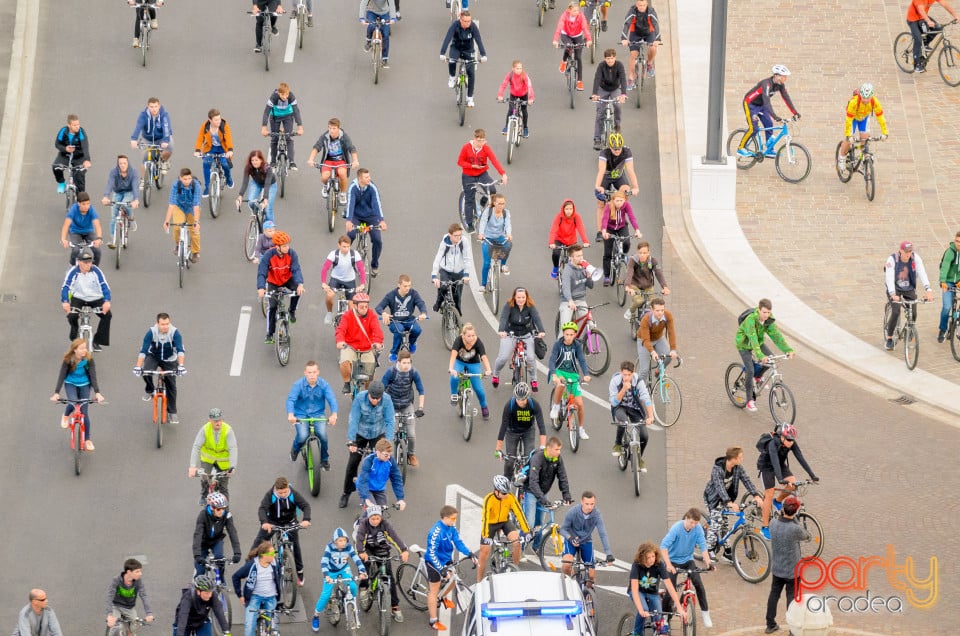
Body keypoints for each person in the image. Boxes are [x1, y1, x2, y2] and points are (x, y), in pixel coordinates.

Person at [756, 423, 819, 540]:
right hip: (766, 467)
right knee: (769, 494)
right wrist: (780, 479)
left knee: (793, 484)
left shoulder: (791, 443)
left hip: (780, 465)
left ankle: (777, 501)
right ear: (782, 437)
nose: (791, 442)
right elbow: (774, 462)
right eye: (789, 439)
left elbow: (800, 457)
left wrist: (812, 475)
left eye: (793, 440)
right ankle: (764, 527)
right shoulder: (772, 444)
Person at [340, 381, 395, 508]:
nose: (375, 400)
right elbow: (353, 419)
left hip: (377, 433)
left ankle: (373, 494)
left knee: (375, 464)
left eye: (378, 398)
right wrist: (351, 441)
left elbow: (390, 421)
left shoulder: (387, 400)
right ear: (368, 394)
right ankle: (346, 492)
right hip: (361, 433)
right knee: (353, 463)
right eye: (372, 398)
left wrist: (388, 441)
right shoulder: (360, 398)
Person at [702, 446, 762, 560]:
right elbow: (719, 487)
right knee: (716, 524)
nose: (742, 459)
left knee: (725, 524)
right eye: (740, 457)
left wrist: (755, 495)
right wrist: (729, 502)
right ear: (733, 458)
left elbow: (746, 480)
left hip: (725, 500)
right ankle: (708, 550)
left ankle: (727, 552)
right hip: (713, 499)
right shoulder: (717, 469)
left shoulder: (738, 468)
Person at [250, 477, 312, 585]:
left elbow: (305, 506)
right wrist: (264, 522)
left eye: (285, 492)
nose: (283, 494)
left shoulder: (293, 494)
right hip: (273, 522)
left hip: (290, 521)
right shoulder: (270, 495)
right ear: (275, 489)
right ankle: (249, 567)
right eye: (280, 493)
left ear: (288, 487)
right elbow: (262, 509)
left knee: (296, 546)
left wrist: (306, 519)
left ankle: (299, 573)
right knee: (258, 543)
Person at [735, 298, 794, 412]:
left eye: (769, 312)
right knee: (750, 370)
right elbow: (753, 339)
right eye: (764, 312)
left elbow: (776, 336)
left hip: (759, 342)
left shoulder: (768, 320)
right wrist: (761, 356)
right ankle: (749, 400)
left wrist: (788, 349)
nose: (767, 315)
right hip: (744, 345)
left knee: (771, 359)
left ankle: (758, 377)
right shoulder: (750, 320)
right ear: (759, 310)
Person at [355, 505, 410, 625]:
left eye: (377, 518)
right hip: (367, 548)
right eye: (373, 518)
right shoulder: (364, 524)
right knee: (365, 566)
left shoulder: (385, 524)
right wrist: (361, 552)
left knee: (389, 576)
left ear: (381, 517)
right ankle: (363, 587)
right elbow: (359, 540)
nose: (375, 521)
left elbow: (394, 537)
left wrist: (404, 550)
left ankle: (395, 606)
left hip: (381, 548)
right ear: (369, 517)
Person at [425, 506, 477, 631]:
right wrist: (441, 568)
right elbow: (432, 553)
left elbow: (458, 542)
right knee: (433, 591)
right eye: (453, 518)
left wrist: (469, 553)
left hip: (446, 558)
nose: (455, 520)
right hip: (434, 562)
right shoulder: (435, 532)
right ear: (446, 518)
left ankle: (442, 597)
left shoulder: (451, 527)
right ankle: (433, 621)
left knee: (453, 579)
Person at [660, 508, 713, 628]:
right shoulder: (676, 529)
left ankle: (705, 613)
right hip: (672, 561)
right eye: (691, 522)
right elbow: (663, 546)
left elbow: (703, 546)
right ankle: (665, 617)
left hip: (688, 560)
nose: (693, 525)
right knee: (670, 590)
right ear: (686, 519)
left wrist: (708, 562)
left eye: (696, 523)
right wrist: (668, 565)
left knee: (699, 584)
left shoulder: (697, 528)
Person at [765, 496, 810, 634]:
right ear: (795, 511)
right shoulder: (795, 529)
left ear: (783, 509)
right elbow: (807, 535)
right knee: (792, 599)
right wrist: (796, 518)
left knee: (774, 595)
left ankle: (770, 623)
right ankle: (793, 629)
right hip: (792, 571)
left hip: (777, 568)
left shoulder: (773, 523)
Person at [51, 338, 104, 451]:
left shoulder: (88, 360)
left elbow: (93, 376)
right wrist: (56, 393)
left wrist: (97, 393)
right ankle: (66, 415)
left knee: (84, 412)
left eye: (85, 348)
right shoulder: (68, 360)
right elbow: (61, 375)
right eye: (82, 348)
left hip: (85, 384)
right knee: (74, 401)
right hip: (71, 384)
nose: (85, 350)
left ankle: (87, 440)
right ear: (75, 350)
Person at [477, 475, 531, 582]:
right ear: (496, 491)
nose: (506, 495)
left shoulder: (510, 497)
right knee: (484, 551)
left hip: (504, 521)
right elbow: (485, 518)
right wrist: (486, 536)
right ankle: (479, 580)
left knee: (517, 543)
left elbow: (519, 513)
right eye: (504, 493)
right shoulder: (489, 499)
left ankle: (514, 569)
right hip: (491, 524)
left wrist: (527, 531)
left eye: (507, 492)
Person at [133, 312, 185, 423]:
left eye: (167, 324)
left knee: (171, 384)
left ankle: (172, 412)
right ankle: (150, 389)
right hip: (154, 356)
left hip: (169, 358)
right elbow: (143, 351)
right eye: (162, 324)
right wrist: (138, 366)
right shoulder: (151, 332)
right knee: (146, 372)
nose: (165, 326)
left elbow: (180, 351)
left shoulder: (175, 332)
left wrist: (180, 366)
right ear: (157, 323)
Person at [286, 360, 338, 469]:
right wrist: (291, 414)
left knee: (323, 436)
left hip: (318, 414)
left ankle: (324, 460)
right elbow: (291, 400)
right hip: (301, 414)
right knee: (303, 436)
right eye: (309, 372)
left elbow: (332, 399)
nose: (312, 375)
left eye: (314, 372)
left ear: (318, 372)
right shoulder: (298, 385)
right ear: (305, 373)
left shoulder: (324, 385)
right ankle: (295, 450)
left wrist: (334, 414)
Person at [737, 65, 799, 157]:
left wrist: (795, 112)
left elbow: (786, 98)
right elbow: (767, 102)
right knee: (753, 128)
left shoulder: (780, 85)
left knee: (769, 124)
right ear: (776, 76)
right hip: (750, 104)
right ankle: (740, 148)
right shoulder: (766, 84)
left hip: (761, 105)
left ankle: (769, 150)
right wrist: (775, 116)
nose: (785, 79)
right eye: (783, 77)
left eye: (785, 77)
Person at [256, 230, 305, 344]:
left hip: (287, 279)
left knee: (298, 292)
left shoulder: (292, 254)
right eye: (284, 246)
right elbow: (262, 273)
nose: (287, 248)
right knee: (272, 307)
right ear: (277, 246)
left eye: (288, 245)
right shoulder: (268, 256)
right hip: (273, 282)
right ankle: (270, 333)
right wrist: (261, 288)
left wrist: (300, 284)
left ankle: (292, 311)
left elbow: (296, 269)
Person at [884, 240, 934, 350]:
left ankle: (910, 328)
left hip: (909, 288)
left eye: (910, 251)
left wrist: (928, 289)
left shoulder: (915, 258)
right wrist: (892, 294)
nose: (908, 254)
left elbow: (922, 272)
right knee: (896, 311)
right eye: (906, 251)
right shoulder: (892, 259)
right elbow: (889, 277)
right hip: (895, 289)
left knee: (914, 312)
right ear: (900, 251)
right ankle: (889, 338)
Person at [492, 288, 545, 390]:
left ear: (526, 297)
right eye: (518, 297)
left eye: (523, 297)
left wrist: (541, 330)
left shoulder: (530, 306)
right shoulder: (509, 305)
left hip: (526, 334)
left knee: (530, 358)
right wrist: (501, 330)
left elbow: (536, 318)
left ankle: (533, 380)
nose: (521, 300)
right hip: (511, 334)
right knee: (502, 358)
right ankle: (495, 375)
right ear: (514, 297)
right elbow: (503, 317)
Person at [456, 129, 508, 232]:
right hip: (468, 175)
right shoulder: (466, 148)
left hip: (482, 174)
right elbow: (460, 162)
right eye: (479, 141)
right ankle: (469, 223)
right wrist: (471, 166)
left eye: (483, 141)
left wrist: (503, 174)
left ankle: (483, 201)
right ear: (475, 139)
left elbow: (494, 161)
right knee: (469, 199)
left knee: (492, 190)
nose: (481, 143)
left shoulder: (485, 148)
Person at [60, 247, 112, 350]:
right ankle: (74, 334)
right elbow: (65, 286)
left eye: (90, 262)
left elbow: (104, 286)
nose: (89, 264)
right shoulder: (73, 272)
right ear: (79, 262)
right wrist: (65, 302)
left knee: (107, 315)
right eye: (86, 262)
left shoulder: (96, 271)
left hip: (95, 298)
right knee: (72, 316)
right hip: (78, 297)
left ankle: (97, 341)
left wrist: (107, 301)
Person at [313, 528, 367, 628]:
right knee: (325, 595)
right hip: (331, 571)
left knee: (353, 587)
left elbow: (356, 559)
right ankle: (316, 615)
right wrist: (327, 576)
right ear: (335, 541)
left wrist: (362, 571)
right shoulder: (329, 547)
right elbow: (324, 562)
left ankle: (352, 605)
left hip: (344, 569)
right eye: (340, 540)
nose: (343, 543)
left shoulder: (349, 547)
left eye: (344, 540)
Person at [627, 542, 683, 635]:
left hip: (652, 593)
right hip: (638, 591)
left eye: (653, 556)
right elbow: (634, 589)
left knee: (658, 617)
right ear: (642, 557)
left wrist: (679, 606)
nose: (651, 559)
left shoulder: (659, 564)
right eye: (648, 557)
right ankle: (637, 633)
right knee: (644, 609)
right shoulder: (636, 565)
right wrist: (641, 610)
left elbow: (669, 585)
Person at [548, 322, 591, 437]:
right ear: (563, 334)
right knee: (561, 384)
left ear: (575, 335)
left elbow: (581, 360)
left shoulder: (577, 345)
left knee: (580, 404)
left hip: (572, 374)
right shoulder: (558, 344)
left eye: (571, 334)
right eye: (567, 334)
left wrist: (586, 374)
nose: (569, 337)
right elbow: (552, 360)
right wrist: (554, 374)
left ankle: (581, 429)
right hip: (559, 371)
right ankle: (556, 406)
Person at [560, 491, 615, 582]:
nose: (590, 507)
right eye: (587, 504)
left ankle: (588, 594)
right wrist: (570, 538)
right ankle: (569, 583)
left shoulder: (597, 514)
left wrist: (608, 553)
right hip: (571, 540)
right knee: (567, 564)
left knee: (591, 577)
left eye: (592, 504)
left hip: (586, 541)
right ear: (581, 502)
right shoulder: (572, 512)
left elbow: (603, 534)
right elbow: (563, 529)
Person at [382, 351, 425, 466]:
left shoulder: (413, 372)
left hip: (407, 405)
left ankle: (411, 455)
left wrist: (420, 408)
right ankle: (387, 457)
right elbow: (381, 389)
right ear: (398, 362)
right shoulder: (391, 372)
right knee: (390, 433)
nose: (407, 365)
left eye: (408, 362)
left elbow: (421, 390)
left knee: (411, 434)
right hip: (392, 405)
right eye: (404, 362)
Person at [336, 292, 384, 393]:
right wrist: (340, 341)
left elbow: (377, 331)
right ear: (355, 306)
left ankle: (367, 394)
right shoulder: (347, 316)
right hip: (351, 346)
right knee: (344, 362)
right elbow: (341, 330)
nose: (364, 309)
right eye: (361, 307)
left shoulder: (372, 315)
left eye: (366, 306)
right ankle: (347, 383)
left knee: (370, 374)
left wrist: (377, 342)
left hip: (367, 348)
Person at [523, 437, 573, 535]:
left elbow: (562, 476)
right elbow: (533, 483)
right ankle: (521, 546)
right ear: (548, 448)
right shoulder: (537, 458)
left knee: (540, 523)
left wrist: (566, 494)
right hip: (531, 492)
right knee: (529, 524)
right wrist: (543, 500)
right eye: (556, 449)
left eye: (560, 449)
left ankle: (536, 547)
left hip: (544, 492)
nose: (559, 452)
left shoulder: (557, 458)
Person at [593, 133, 639, 239]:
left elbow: (630, 170)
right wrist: (597, 186)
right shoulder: (604, 152)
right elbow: (601, 170)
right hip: (606, 176)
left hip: (618, 176)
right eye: (615, 149)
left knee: (625, 191)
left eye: (619, 149)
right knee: (601, 203)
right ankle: (600, 231)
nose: (617, 151)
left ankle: (621, 222)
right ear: (610, 147)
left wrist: (635, 187)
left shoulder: (627, 151)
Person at [609, 360, 653, 466]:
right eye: (624, 375)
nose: (626, 377)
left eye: (629, 375)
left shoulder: (638, 382)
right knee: (623, 422)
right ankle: (618, 444)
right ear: (621, 373)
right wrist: (623, 389)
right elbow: (614, 402)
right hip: (620, 407)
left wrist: (651, 417)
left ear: (633, 373)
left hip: (635, 409)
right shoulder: (615, 381)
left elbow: (646, 399)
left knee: (644, 436)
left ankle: (639, 458)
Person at [188, 409, 238, 503]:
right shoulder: (205, 430)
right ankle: (204, 494)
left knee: (223, 488)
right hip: (208, 460)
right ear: (209, 420)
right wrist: (192, 466)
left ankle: (226, 512)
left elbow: (233, 448)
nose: (218, 423)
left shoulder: (228, 430)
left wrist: (233, 466)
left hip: (223, 463)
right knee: (204, 477)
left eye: (220, 420)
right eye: (215, 421)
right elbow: (196, 447)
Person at [440, 11, 488, 109]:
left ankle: (470, 98)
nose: (467, 23)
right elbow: (447, 38)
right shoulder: (455, 25)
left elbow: (479, 40)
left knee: (471, 73)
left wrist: (483, 55)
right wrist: (442, 53)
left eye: (469, 21)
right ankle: (452, 77)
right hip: (456, 48)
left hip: (468, 50)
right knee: (452, 60)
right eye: (465, 21)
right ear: (460, 20)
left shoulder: (473, 27)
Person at [307, 117, 360, 207]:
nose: (331, 130)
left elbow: (352, 148)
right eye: (330, 128)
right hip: (328, 161)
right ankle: (325, 186)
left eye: (334, 128)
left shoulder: (344, 137)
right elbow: (317, 147)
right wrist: (311, 159)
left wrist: (355, 161)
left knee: (342, 173)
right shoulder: (325, 136)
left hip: (340, 161)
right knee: (325, 177)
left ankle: (343, 194)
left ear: (338, 128)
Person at [496, 382, 547, 474]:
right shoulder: (509, 406)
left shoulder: (534, 405)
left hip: (528, 431)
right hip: (512, 432)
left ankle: (527, 480)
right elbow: (503, 426)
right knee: (509, 461)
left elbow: (541, 426)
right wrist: (498, 449)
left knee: (530, 459)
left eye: (523, 399)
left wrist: (543, 446)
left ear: (527, 397)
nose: (520, 402)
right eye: (518, 399)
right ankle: (507, 478)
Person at [232, 542, 281, 636]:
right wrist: (240, 595)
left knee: (274, 628)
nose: (274, 555)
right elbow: (235, 577)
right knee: (249, 625)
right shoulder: (252, 565)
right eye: (271, 554)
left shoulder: (274, 563)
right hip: (255, 597)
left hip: (271, 597)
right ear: (263, 555)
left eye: (274, 553)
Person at [345, 168, 388, 275]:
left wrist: (381, 220)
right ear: (360, 178)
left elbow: (376, 204)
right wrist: (349, 220)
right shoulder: (353, 188)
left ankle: (374, 264)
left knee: (377, 240)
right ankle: (346, 259)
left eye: (369, 176)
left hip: (370, 217)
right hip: (357, 217)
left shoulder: (372, 187)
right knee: (350, 235)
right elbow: (350, 204)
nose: (369, 178)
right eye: (366, 177)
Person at [376, 274, 428, 361]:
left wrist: (423, 313)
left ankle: (412, 342)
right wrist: (384, 313)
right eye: (405, 286)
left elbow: (421, 303)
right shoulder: (391, 295)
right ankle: (394, 352)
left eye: (409, 286)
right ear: (399, 285)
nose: (407, 288)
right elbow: (379, 307)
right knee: (399, 331)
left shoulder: (414, 294)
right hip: (395, 321)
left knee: (417, 330)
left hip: (409, 320)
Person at [837, 83, 889, 170]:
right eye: (863, 97)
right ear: (860, 95)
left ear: (871, 96)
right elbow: (848, 121)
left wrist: (885, 133)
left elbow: (880, 117)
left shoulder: (874, 101)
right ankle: (841, 158)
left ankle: (864, 158)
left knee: (865, 139)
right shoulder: (854, 102)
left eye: (867, 98)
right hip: (853, 118)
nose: (865, 100)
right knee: (848, 139)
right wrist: (849, 135)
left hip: (863, 118)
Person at [448, 323, 492, 419]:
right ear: (463, 336)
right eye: (468, 336)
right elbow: (453, 355)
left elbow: (484, 357)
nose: (471, 338)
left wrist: (488, 369)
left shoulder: (478, 342)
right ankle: (454, 394)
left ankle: (484, 406)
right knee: (455, 377)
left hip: (474, 364)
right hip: (460, 362)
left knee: (479, 389)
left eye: (473, 335)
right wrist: (451, 368)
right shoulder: (458, 340)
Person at [322, 235, 369, 325]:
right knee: (329, 296)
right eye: (344, 246)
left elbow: (361, 270)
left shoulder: (355, 254)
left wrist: (362, 284)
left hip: (350, 281)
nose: (346, 249)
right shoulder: (333, 254)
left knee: (351, 307)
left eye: (348, 246)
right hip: (336, 279)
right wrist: (324, 283)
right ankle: (329, 313)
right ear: (339, 245)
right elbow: (325, 268)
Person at [192, 492, 242, 577]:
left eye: (223, 508)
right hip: (203, 543)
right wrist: (197, 555)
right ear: (212, 508)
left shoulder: (226, 515)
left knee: (220, 560)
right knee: (200, 572)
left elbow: (232, 533)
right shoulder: (203, 515)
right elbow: (197, 534)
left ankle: (221, 581)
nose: (221, 512)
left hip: (216, 540)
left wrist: (237, 553)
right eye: (219, 509)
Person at [599, 189, 642, 284]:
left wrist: (637, 230)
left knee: (626, 242)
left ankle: (623, 255)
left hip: (622, 227)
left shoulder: (627, 205)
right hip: (610, 228)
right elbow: (605, 219)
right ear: (613, 200)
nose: (619, 203)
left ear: (625, 200)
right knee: (607, 253)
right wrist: (604, 232)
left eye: (621, 201)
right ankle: (606, 276)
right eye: (617, 201)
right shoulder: (608, 206)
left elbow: (632, 217)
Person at [907, 0, 960, 72]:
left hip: (922, 18)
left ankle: (925, 43)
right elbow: (921, 10)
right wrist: (928, 21)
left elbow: (944, 4)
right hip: (913, 20)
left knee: (938, 28)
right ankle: (917, 64)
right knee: (918, 40)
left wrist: (956, 15)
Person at [105, 558, 155, 635]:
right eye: (137, 571)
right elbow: (109, 596)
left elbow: (144, 596)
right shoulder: (116, 580)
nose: (140, 574)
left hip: (129, 608)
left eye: (140, 571)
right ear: (129, 572)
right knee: (116, 627)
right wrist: (109, 615)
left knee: (134, 629)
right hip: (116, 606)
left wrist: (149, 613)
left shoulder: (138, 581)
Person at [590, 49, 627, 150]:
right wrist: (594, 94)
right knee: (600, 113)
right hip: (603, 89)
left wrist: (623, 94)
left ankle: (617, 126)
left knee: (617, 105)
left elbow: (623, 78)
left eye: (611, 58)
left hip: (615, 89)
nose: (610, 61)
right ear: (604, 59)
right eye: (608, 59)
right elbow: (597, 78)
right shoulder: (601, 66)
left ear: (615, 58)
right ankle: (597, 139)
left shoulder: (619, 65)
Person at [163, 168, 202, 263]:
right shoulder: (176, 185)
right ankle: (177, 244)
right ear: (180, 178)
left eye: (189, 178)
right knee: (177, 227)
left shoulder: (196, 185)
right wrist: (166, 221)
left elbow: (196, 205)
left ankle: (195, 252)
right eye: (185, 179)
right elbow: (171, 204)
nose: (187, 181)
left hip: (191, 207)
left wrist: (196, 222)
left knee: (194, 230)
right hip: (179, 206)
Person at [431, 224, 472, 315]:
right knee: (444, 287)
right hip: (446, 271)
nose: (458, 238)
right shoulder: (444, 243)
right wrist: (434, 276)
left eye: (459, 235)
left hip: (459, 272)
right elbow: (438, 258)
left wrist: (466, 275)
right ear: (450, 235)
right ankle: (438, 302)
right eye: (455, 236)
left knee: (457, 296)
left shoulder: (463, 242)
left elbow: (467, 259)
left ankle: (457, 318)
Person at [194, 108, 234, 197]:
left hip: (222, 148)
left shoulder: (224, 125)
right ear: (210, 120)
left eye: (219, 119)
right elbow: (200, 138)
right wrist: (197, 150)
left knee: (225, 164)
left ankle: (229, 178)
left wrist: (230, 150)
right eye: (216, 120)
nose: (218, 121)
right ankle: (208, 187)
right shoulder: (205, 126)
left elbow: (228, 138)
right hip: (211, 148)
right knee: (206, 163)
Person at [356, 438, 407, 508]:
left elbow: (396, 479)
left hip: (379, 490)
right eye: (386, 455)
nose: (388, 457)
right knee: (373, 512)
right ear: (378, 452)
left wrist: (400, 498)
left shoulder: (391, 461)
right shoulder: (369, 461)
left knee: (381, 513)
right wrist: (366, 498)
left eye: (390, 455)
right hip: (367, 489)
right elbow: (363, 480)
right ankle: (360, 519)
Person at [129, 97, 173, 178]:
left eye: (156, 106)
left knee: (169, 147)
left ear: (159, 106)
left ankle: (164, 161)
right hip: (147, 138)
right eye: (151, 107)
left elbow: (166, 128)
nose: (154, 109)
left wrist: (166, 140)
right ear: (148, 106)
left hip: (161, 138)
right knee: (145, 160)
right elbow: (138, 127)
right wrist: (134, 139)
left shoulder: (164, 115)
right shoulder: (143, 115)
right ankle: (143, 180)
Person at [553, 2, 592, 91]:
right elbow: (559, 27)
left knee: (578, 57)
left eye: (577, 10)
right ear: (569, 10)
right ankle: (563, 62)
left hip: (577, 36)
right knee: (569, 46)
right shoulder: (564, 16)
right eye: (574, 11)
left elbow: (585, 28)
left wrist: (588, 39)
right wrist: (555, 40)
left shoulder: (581, 16)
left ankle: (580, 81)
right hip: (566, 35)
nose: (576, 12)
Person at [261, 82, 301, 167]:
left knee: (289, 137)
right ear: (278, 93)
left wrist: (300, 126)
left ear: (288, 93)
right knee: (274, 138)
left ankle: (292, 162)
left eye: (286, 94)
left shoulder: (291, 96)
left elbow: (296, 111)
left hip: (288, 116)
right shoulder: (273, 97)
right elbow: (266, 112)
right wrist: (264, 127)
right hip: (275, 117)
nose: (284, 97)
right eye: (282, 94)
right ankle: (273, 161)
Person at [102, 155, 139, 247]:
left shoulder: (133, 172)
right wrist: (106, 197)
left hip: (129, 192)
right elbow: (110, 184)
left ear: (128, 163)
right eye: (120, 163)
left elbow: (135, 186)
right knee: (113, 216)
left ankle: (131, 219)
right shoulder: (114, 172)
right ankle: (113, 239)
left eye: (124, 163)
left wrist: (136, 200)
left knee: (127, 204)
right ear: (118, 164)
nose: (122, 165)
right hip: (117, 192)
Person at [477, 194, 513, 288]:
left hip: (499, 237)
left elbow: (508, 224)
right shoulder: (488, 211)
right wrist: (481, 234)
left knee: (508, 245)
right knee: (487, 263)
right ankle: (483, 285)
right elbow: (483, 222)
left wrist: (508, 234)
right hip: (487, 238)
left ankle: (503, 266)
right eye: (499, 203)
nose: (502, 206)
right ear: (494, 203)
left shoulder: (506, 213)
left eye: (503, 203)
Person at [624, 240, 669, 318]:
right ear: (637, 252)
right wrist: (628, 286)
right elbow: (629, 273)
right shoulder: (633, 260)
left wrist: (665, 287)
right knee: (639, 301)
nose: (642, 255)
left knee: (653, 304)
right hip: (635, 285)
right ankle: (630, 311)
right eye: (640, 253)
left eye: (644, 253)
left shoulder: (652, 261)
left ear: (648, 253)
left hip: (648, 286)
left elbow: (658, 273)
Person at [620, 0, 660, 84]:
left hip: (649, 33)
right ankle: (631, 77)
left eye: (643, 5)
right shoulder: (632, 11)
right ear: (636, 5)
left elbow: (656, 24)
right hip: (635, 33)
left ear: (646, 5)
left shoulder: (651, 11)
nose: (641, 7)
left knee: (653, 47)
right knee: (633, 54)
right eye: (639, 5)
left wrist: (658, 39)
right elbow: (626, 24)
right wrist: (624, 38)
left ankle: (649, 63)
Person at [548, 199, 591, 278]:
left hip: (571, 240)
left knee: (574, 257)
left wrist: (585, 241)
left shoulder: (576, 217)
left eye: (570, 209)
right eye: (567, 209)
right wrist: (551, 242)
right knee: (556, 253)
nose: (569, 211)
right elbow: (553, 230)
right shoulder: (559, 217)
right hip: (559, 239)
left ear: (573, 209)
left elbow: (581, 228)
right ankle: (555, 268)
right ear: (563, 209)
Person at [558, 243, 598, 326]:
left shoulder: (584, 268)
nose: (581, 258)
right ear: (571, 258)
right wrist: (570, 300)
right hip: (567, 301)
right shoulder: (567, 271)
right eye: (578, 256)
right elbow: (565, 287)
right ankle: (562, 338)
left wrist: (589, 277)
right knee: (566, 328)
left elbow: (591, 286)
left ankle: (588, 336)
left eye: (581, 255)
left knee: (590, 324)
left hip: (581, 299)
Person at [60, 191, 103, 266]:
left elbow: (97, 225)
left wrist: (99, 238)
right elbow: (66, 225)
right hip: (75, 231)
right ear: (78, 204)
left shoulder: (91, 210)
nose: (86, 206)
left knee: (98, 251)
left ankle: (94, 269)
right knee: (76, 250)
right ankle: (72, 266)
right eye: (84, 204)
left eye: (88, 204)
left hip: (88, 231)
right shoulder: (73, 210)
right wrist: (63, 239)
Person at [636, 296, 677, 373]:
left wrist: (673, 349)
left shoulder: (668, 315)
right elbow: (646, 339)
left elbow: (671, 333)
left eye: (662, 310)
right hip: (644, 340)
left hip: (658, 338)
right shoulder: (645, 319)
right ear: (652, 309)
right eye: (657, 310)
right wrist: (652, 352)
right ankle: (639, 385)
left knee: (668, 356)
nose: (660, 313)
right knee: (644, 370)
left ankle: (659, 370)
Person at [53, 114, 91, 194]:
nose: (77, 127)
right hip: (65, 155)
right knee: (56, 167)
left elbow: (85, 146)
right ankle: (61, 182)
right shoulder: (63, 131)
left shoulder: (81, 132)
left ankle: (80, 200)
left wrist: (87, 160)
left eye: (78, 124)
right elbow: (57, 144)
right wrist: (65, 149)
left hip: (78, 156)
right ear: (69, 125)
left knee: (79, 176)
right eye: (74, 125)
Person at [236, 150, 278, 224]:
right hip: (256, 183)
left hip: (270, 185)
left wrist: (265, 199)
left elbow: (267, 184)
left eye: (256, 160)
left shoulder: (268, 168)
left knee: (268, 208)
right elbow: (245, 182)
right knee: (251, 202)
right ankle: (258, 211)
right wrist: (240, 196)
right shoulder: (248, 167)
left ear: (261, 160)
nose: (254, 162)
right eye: (252, 160)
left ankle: (269, 229)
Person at [497, 60, 534, 138]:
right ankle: (506, 127)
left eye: (520, 68)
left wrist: (531, 98)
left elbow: (529, 87)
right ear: (513, 68)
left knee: (524, 111)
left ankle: (525, 128)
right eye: (517, 68)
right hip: (513, 95)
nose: (519, 70)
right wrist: (500, 95)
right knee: (511, 110)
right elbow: (503, 85)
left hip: (523, 95)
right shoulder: (509, 75)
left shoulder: (524, 76)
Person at [360, 0, 397, 68]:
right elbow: (363, 3)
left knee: (385, 35)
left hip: (384, 13)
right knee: (371, 25)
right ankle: (368, 41)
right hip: (372, 12)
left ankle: (385, 59)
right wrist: (361, 18)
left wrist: (393, 17)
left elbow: (391, 3)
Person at [938, 230, 960, 342]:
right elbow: (945, 267)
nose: (958, 244)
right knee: (947, 307)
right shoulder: (950, 252)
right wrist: (943, 282)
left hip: (959, 281)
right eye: (957, 241)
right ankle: (942, 329)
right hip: (948, 282)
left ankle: (956, 321)